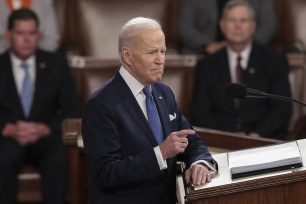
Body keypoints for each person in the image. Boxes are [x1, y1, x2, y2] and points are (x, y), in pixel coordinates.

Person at [82, 17, 218, 204]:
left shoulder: (164, 93)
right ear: (128, 56)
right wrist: (160, 154)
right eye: (152, 52)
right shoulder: (101, 104)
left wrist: (200, 162)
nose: (160, 60)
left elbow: (190, 139)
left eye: (163, 51)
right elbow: (105, 173)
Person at [0, 9, 81, 203]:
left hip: (45, 135)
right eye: (20, 33)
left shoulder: (56, 63)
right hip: (8, 136)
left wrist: (46, 128)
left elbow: (74, 108)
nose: (27, 39)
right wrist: (7, 128)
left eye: (32, 33)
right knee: (2, 158)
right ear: (8, 36)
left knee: (58, 155)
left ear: (40, 36)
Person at [190, 0, 292, 139]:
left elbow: (282, 109)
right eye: (232, 20)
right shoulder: (206, 65)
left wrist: (255, 136)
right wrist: (226, 139)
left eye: (243, 20)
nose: (237, 25)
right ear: (222, 26)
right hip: (220, 144)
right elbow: (200, 113)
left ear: (253, 26)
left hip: (264, 142)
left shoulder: (275, 61)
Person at [178, 0, 277, 55]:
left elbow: (268, 26)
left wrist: (246, 47)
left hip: (250, 52)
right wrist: (207, 46)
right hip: (205, 53)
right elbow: (185, 27)